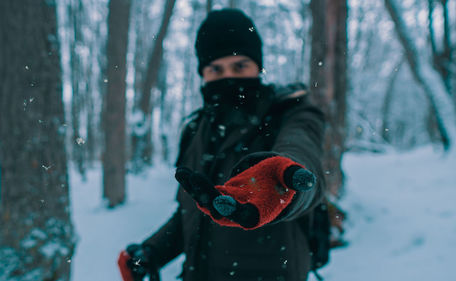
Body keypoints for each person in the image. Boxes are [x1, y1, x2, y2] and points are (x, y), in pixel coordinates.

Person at [119, 9, 326, 281]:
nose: (228, 77)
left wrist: (282, 181)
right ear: (202, 73)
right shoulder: (196, 129)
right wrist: (152, 252)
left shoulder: (290, 113)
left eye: (240, 66)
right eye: (215, 69)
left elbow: (302, 154)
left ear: (257, 67)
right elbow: (194, 210)